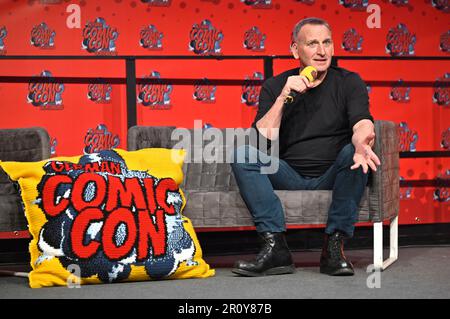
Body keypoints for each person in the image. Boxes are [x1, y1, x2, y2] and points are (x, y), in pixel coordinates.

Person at [230, 17, 381, 277]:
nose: (322, 51)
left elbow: (362, 123)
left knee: (352, 154)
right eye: (312, 43)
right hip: (289, 174)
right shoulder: (277, 85)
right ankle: (276, 248)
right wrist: (283, 98)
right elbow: (262, 139)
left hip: (332, 174)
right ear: (295, 49)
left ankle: (333, 248)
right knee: (244, 155)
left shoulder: (349, 82)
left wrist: (362, 142)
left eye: (327, 43)